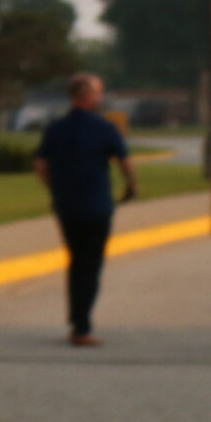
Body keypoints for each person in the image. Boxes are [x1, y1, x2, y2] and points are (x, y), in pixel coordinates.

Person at [33, 73, 138, 346]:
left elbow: (41, 166)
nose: (100, 97)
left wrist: (55, 189)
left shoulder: (55, 129)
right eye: (98, 92)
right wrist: (131, 187)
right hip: (97, 205)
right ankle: (82, 326)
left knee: (76, 260)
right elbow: (124, 161)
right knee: (90, 265)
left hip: (67, 205)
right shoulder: (105, 128)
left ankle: (77, 319)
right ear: (87, 96)